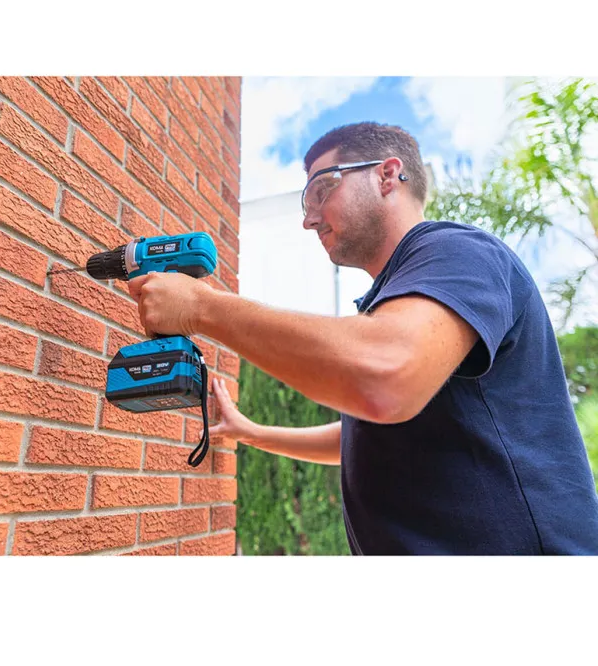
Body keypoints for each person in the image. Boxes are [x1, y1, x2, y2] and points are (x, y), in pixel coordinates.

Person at [127, 121, 598, 555]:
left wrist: (201, 307)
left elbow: (384, 378)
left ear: (387, 175)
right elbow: (358, 435)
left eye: (320, 190)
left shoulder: (459, 250)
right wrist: (251, 432)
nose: (309, 219)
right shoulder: (390, 303)